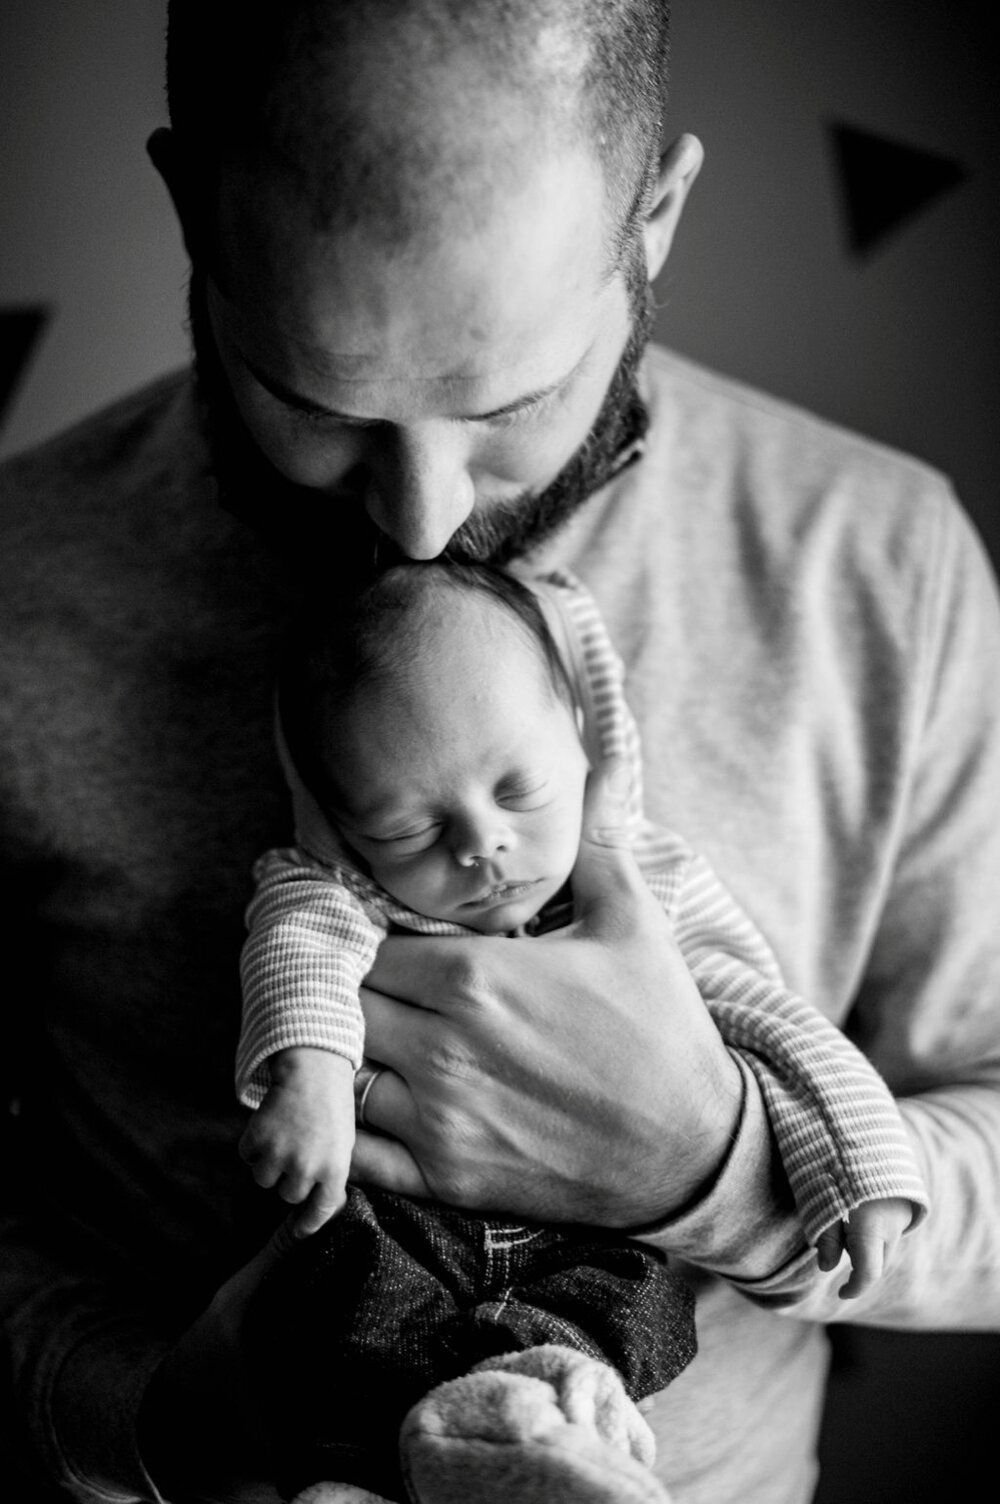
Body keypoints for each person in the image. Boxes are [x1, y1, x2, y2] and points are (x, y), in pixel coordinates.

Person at [0, 3, 998, 1503]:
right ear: (189, 209)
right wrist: (145, 1414)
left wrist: (711, 1166)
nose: (412, 519)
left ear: (652, 220)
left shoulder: (881, 563)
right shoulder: (19, 582)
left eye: (507, 403)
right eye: (314, 401)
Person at [234, 558, 923, 1502]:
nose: (479, 844)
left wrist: (861, 1169)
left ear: (587, 743)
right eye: (405, 829)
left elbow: (774, 1029)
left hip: (596, 1253)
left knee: (642, 1311)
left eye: (519, 790)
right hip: (402, 1229)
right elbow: (297, 957)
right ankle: (366, 1474)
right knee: (342, 1296)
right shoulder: (339, 895)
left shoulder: (656, 894)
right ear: (344, 830)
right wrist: (308, 1080)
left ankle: (558, 1438)